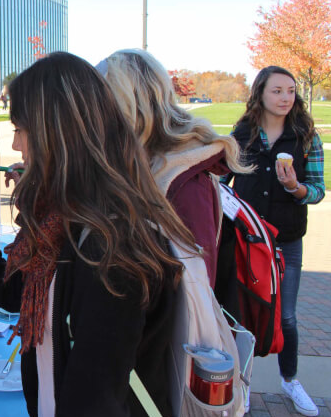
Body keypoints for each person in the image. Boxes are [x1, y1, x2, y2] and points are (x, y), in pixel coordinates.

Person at [0, 52, 196, 417]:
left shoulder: (108, 250)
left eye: (20, 129)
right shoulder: (65, 224)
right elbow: (15, 291)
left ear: (57, 135)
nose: (16, 145)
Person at [97, 49, 249, 287]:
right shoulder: (137, 161)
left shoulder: (185, 178)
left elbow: (195, 290)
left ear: (127, 102)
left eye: (101, 98)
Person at [224, 65, 325, 417]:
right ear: (261, 94)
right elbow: (220, 181)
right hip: (247, 239)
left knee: (287, 318)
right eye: (277, 91)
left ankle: (290, 380)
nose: (286, 98)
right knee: (243, 314)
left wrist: (296, 188)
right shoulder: (241, 135)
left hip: (287, 239)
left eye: (291, 91)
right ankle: (244, 383)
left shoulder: (307, 137)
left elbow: (317, 191)